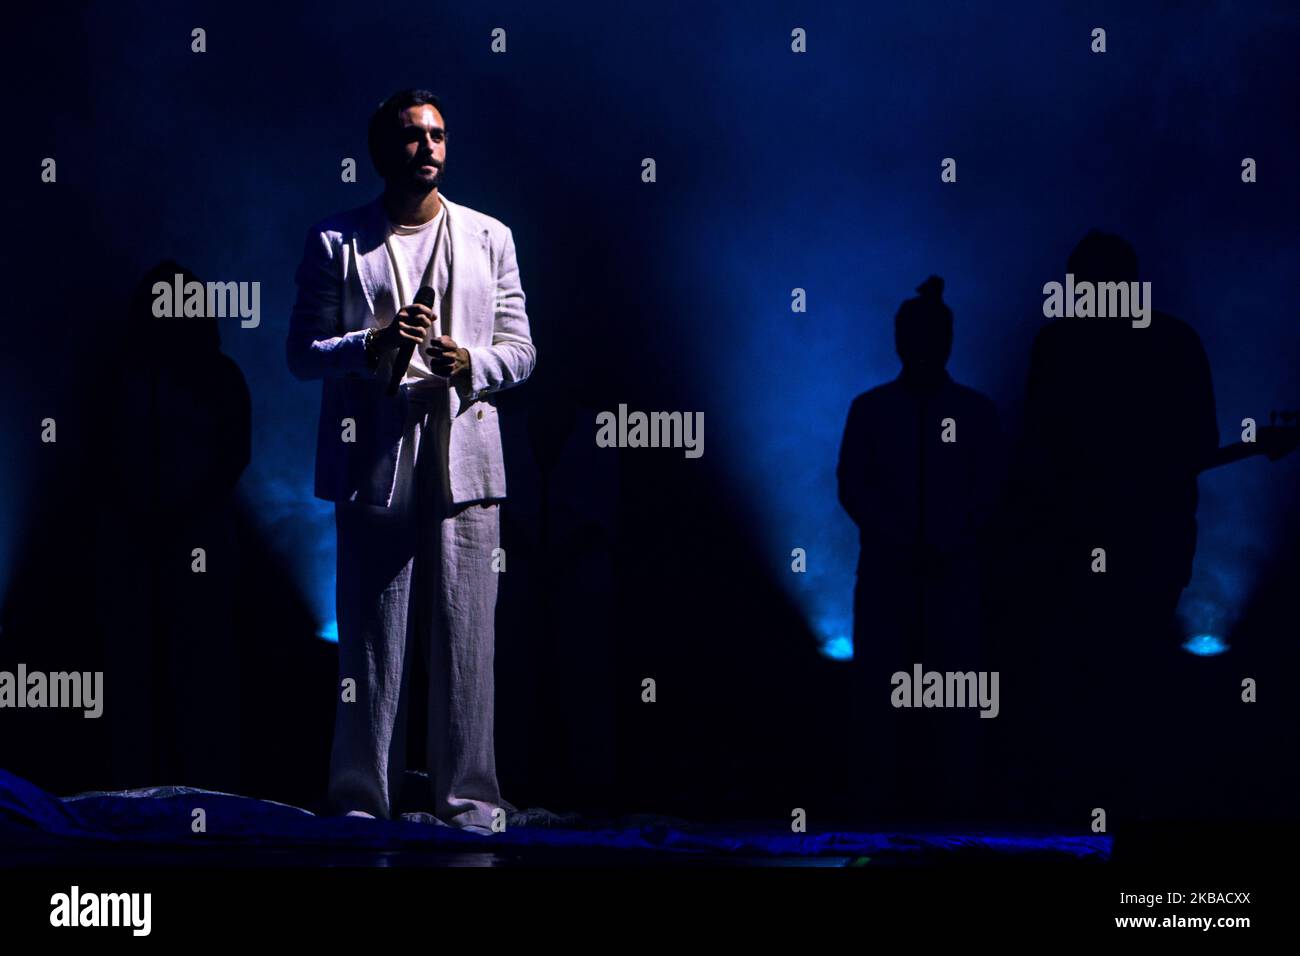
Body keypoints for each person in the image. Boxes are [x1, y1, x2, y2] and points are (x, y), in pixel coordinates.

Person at [286, 89, 536, 830]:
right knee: (369, 640)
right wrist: (375, 342)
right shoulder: (337, 240)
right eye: (411, 136)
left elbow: (522, 351)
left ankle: (470, 802)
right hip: (377, 454)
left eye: (437, 135)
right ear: (379, 151)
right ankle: (364, 800)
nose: (427, 147)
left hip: (463, 451)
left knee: (468, 639)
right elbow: (301, 354)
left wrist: (468, 362)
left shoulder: (491, 235)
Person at [836, 276, 1003, 819]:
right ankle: (936, 812)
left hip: (915, 575)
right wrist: (935, 541)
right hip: (924, 575)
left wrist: (914, 540)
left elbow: (853, 487)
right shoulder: (972, 412)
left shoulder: (875, 409)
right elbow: (854, 486)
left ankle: (901, 811)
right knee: (921, 702)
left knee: (899, 702)